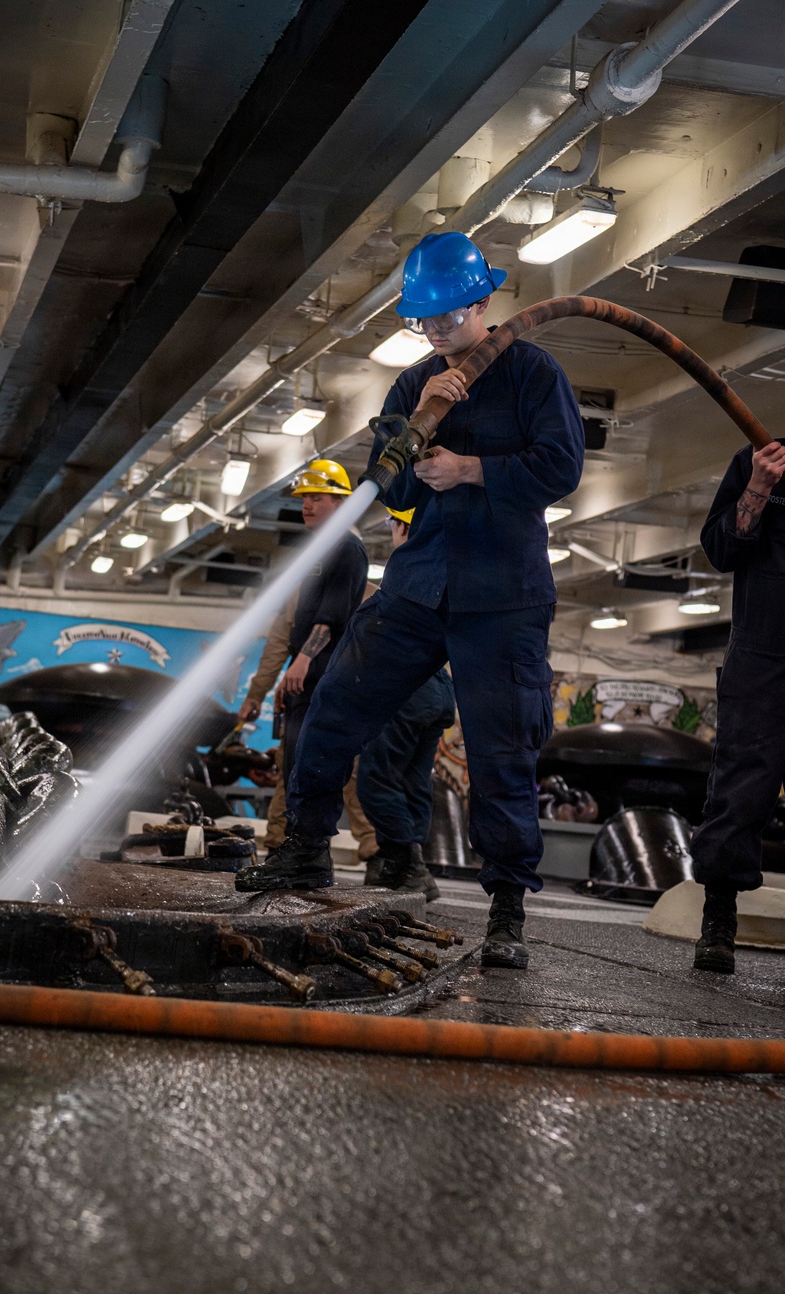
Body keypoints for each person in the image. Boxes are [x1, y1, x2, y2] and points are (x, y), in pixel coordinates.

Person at [236, 231, 584, 971]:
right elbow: (387, 485)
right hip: (419, 585)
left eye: (447, 319)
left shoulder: (532, 373)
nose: (435, 332)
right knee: (331, 709)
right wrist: (426, 403)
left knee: (502, 752)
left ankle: (507, 909)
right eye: (423, 322)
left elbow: (561, 466)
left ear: (482, 302)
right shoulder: (410, 385)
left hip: (504, 595)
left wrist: (471, 469)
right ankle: (304, 850)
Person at [690, 437, 785, 973]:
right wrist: (759, 487)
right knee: (739, 791)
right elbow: (721, 551)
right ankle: (718, 921)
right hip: (763, 651)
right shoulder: (762, 460)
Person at [237, 587, 378, 862]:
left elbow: (277, 646)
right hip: (337, 694)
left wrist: (257, 694)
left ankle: (284, 846)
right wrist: (256, 693)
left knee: (299, 767)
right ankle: (287, 845)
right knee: (312, 767)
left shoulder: (303, 593)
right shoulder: (368, 593)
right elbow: (277, 646)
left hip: (323, 694)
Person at [359, 508, 456, 902]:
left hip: (407, 689)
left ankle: (410, 863)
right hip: (439, 692)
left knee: (375, 780)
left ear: (403, 527)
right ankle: (408, 867)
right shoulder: (448, 567)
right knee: (414, 782)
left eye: (392, 525)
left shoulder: (407, 566)